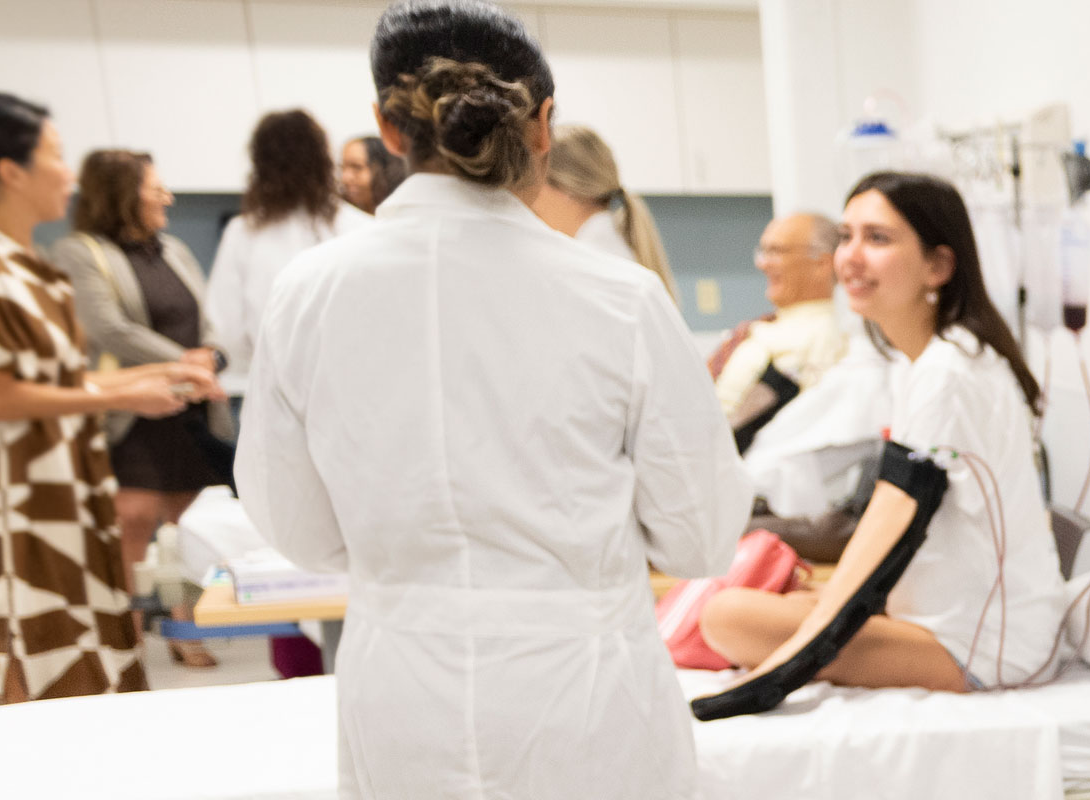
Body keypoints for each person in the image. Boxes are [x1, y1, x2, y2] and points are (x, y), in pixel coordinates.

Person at [233, 1, 748, 795]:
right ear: (542, 125)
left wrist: (410, 564)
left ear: (387, 127)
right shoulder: (620, 299)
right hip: (585, 695)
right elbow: (701, 538)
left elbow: (296, 527)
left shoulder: (309, 294)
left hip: (402, 691)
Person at [702, 172, 1062, 697]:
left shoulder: (947, 372)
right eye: (846, 236)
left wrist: (781, 670)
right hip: (955, 617)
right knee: (746, 606)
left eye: (877, 239)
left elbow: (890, 523)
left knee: (727, 616)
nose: (850, 256)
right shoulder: (941, 358)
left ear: (938, 266)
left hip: (984, 647)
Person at [0, 92, 216, 709]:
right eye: (56, 156)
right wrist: (129, 392)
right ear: (11, 170)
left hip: (68, 483)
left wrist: (161, 372)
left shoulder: (32, 264)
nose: (69, 173)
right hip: (13, 494)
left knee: (94, 652)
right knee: (36, 657)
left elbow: (60, 378)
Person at [48, 149, 234, 670]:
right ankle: (123, 642)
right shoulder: (80, 252)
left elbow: (207, 317)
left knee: (190, 525)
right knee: (130, 525)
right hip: (128, 415)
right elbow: (108, 328)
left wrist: (213, 357)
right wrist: (186, 366)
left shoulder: (172, 249)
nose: (166, 197)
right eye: (156, 189)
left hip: (189, 413)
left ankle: (185, 631)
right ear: (124, 195)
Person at [208, 110, 369, 416]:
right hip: (351, 396)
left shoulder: (243, 233)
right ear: (323, 160)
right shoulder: (361, 228)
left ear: (260, 164)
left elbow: (227, 328)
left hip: (273, 399)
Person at [707, 212, 850, 447]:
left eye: (777, 251)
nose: (762, 263)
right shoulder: (767, 327)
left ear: (822, 264)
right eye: (763, 251)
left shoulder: (824, 337)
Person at [530, 124, 677, 296]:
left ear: (567, 190)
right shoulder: (614, 247)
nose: (529, 199)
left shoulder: (587, 268)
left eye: (533, 182)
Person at [336, 135, 406, 214]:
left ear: (384, 170)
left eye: (357, 167)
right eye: (342, 168)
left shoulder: (402, 217)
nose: (345, 178)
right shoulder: (340, 217)